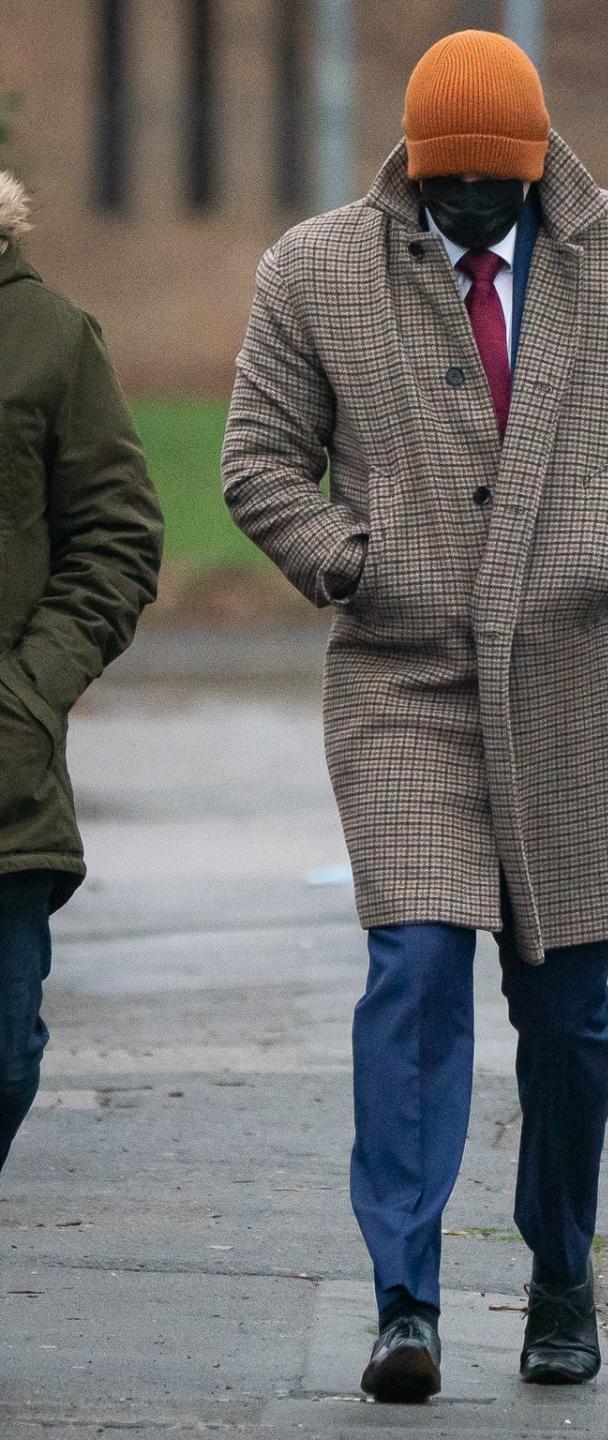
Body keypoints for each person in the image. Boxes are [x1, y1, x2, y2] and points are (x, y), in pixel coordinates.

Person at [221, 28, 608, 1402]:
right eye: (444, 191)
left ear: (532, 168)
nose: (468, 213)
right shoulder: (316, 271)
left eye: (490, 192)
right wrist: (350, 560)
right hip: (402, 681)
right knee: (414, 981)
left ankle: (562, 1275)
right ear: (413, 171)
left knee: (569, 1016)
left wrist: (605, 553)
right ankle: (406, 1301)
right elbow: (257, 459)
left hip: (567, 682)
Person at [0, 172, 164, 1176]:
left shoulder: (52, 341)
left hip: (4, 781)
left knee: (6, 1060)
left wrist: (23, 699)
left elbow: (118, 539)